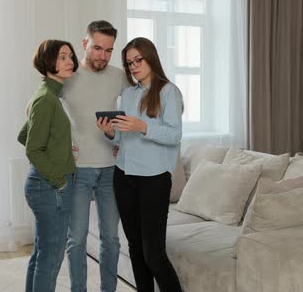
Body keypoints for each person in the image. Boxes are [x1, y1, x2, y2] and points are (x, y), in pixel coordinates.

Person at [96, 37, 184, 292]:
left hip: (154, 180)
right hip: (123, 176)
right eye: (129, 63)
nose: (133, 66)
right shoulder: (128, 94)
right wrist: (110, 132)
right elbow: (122, 137)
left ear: (150, 58)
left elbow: (174, 135)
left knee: (153, 253)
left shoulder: (169, 91)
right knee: (134, 247)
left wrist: (143, 126)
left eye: (138, 60)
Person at [62, 20, 128, 292]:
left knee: (111, 239)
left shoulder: (119, 76)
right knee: (76, 240)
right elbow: (37, 108)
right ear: (85, 43)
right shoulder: (68, 76)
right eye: (97, 48)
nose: (103, 55)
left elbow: (145, 99)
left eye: (109, 50)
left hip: (111, 170)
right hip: (79, 170)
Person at [18, 39, 78, 292]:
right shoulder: (46, 99)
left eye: (71, 56)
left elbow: (24, 135)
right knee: (51, 259)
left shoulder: (47, 95)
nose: (70, 61)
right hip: (50, 187)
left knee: (43, 254)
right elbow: (33, 149)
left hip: (46, 186)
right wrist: (61, 181)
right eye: (62, 56)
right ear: (48, 61)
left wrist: (63, 150)